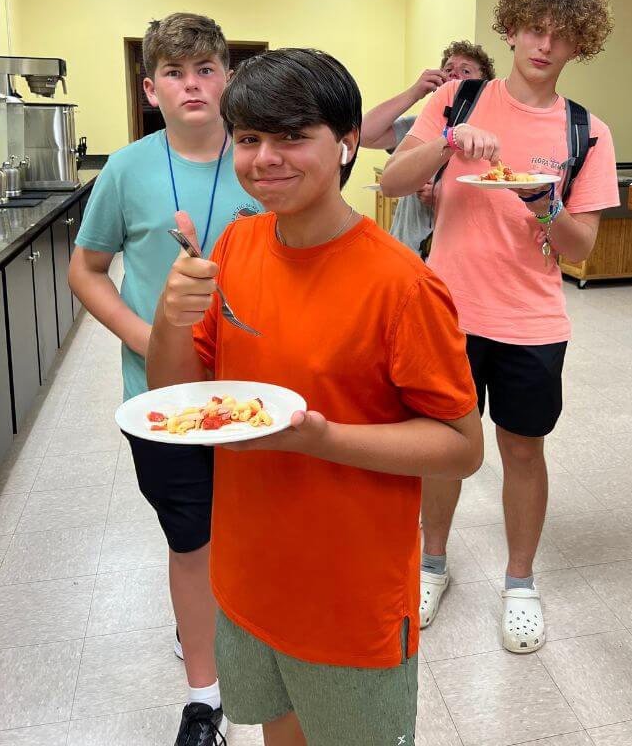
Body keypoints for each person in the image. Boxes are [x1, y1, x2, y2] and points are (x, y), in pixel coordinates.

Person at [147, 48, 484, 746]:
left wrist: (322, 439)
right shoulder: (237, 245)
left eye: (293, 136)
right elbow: (174, 395)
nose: (265, 158)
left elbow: (460, 448)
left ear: (348, 141)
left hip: (348, 597)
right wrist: (171, 316)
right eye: (248, 139)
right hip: (245, 580)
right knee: (280, 734)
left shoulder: (401, 284)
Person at [381, 0, 619, 652]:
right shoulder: (460, 99)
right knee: (443, 448)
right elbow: (392, 178)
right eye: (534, 28)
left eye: (562, 34)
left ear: (580, 45)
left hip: (533, 320)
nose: (545, 44)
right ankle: (432, 565)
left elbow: (581, 252)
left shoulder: (585, 132)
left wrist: (546, 203)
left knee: (522, 448)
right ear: (511, 29)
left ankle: (520, 582)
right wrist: (449, 144)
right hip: (447, 310)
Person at [69, 13, 262, 745]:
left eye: (207, 68)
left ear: (228, 79)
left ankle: (239, 629)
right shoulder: (127, 168)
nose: (193, 83)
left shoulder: (257, 160)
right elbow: (85, 271)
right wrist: (147, 338)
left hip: (255, 393)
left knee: (254, 524)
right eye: (176, 73)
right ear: (151, 90)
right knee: (191, 538)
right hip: (163, 400)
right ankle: (205, 699)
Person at [360, 40, 495, 253]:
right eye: (448, 69)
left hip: (455, 260)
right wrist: (415, 92)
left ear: (484, 85)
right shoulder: (417, 129)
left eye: (465, 71)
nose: (453, 75)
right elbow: (364, 134)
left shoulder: (488, 139)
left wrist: (443, 193)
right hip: (405, 254)